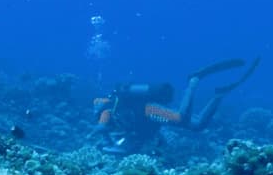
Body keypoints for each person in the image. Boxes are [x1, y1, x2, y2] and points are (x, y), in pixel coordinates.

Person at [93, 57, 260, 154]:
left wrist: (102, 134)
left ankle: (193, 81)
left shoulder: (105, 110)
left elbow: (102, 123)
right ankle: (219, 95)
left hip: (148, 110)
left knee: (181, 118)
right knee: (197, 125)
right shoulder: (115, 120)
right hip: (149, 116)